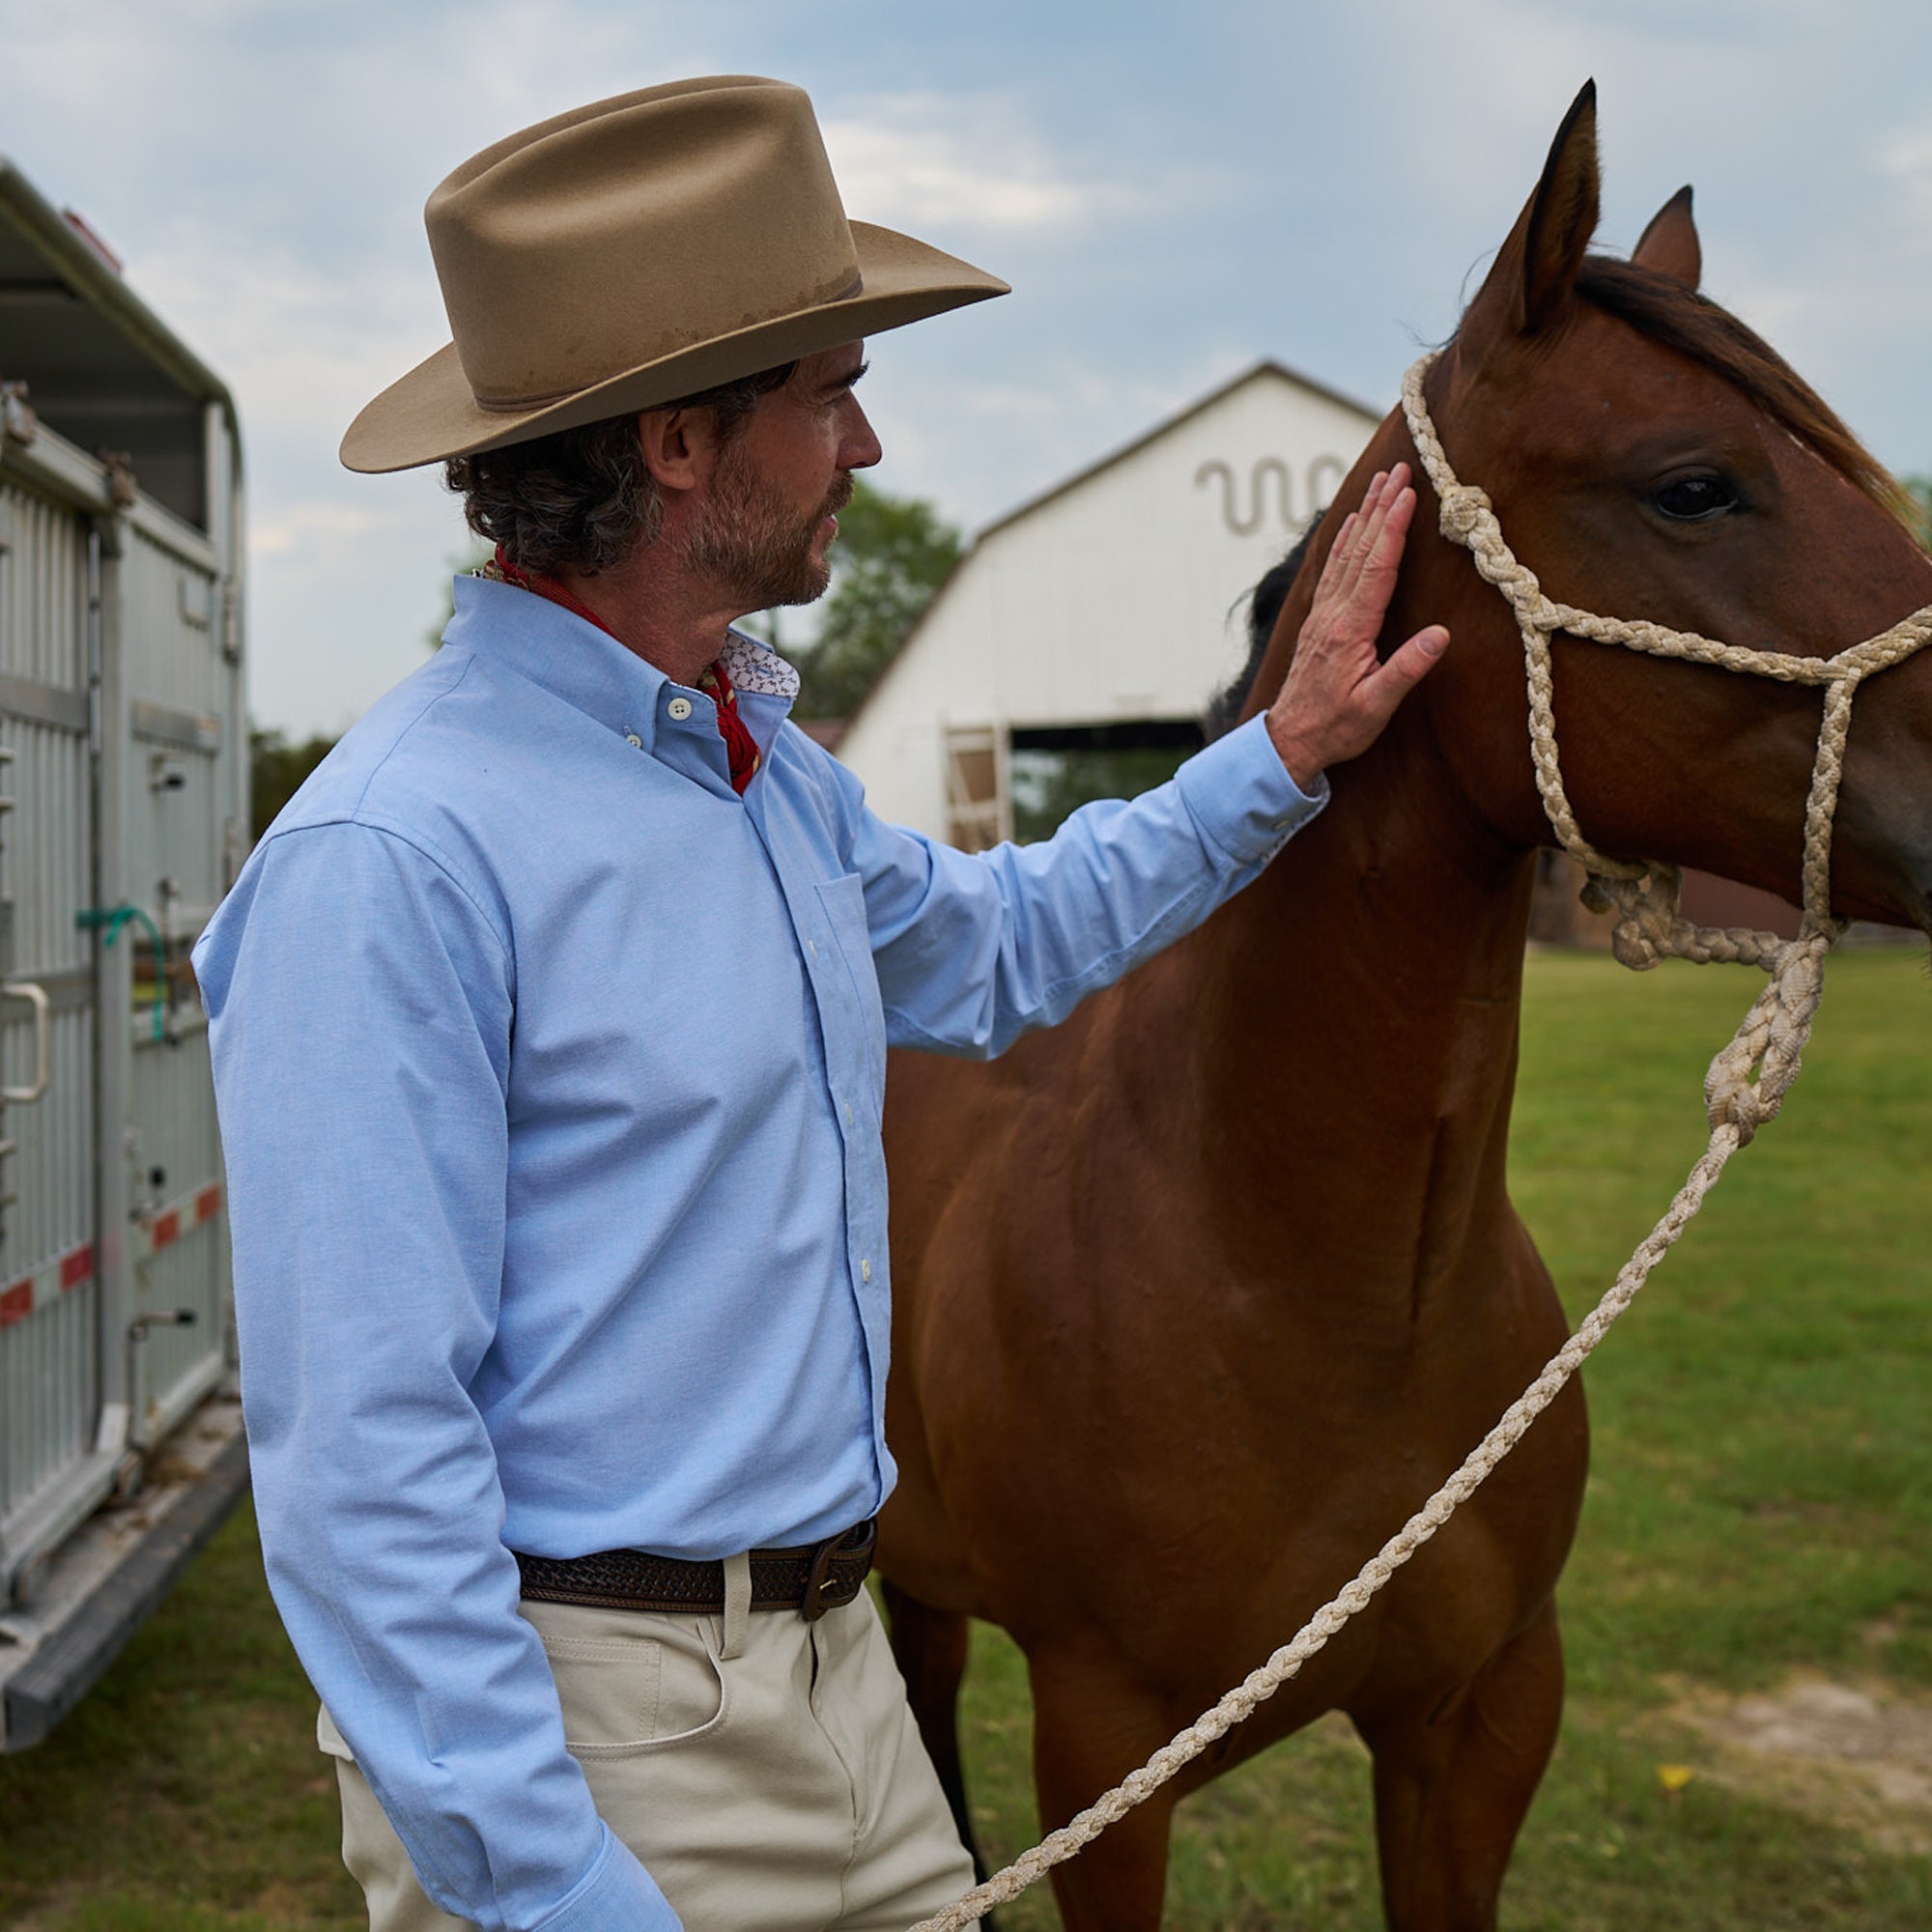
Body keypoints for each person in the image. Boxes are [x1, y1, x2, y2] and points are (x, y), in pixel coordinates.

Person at [193, 75, 1448, 1932]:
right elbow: (365, 1468)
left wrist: (1286, 748)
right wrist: (551, 1890)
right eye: (830, 388)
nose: (863, 442)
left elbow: (999, 942)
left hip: (844, 1682)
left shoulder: (754, 769)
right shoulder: (396, 854)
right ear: (688, 443)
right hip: (603, 1743)